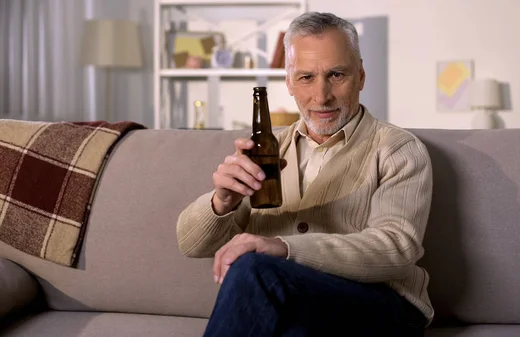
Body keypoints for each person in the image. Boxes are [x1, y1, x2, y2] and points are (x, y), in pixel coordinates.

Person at [176, 11, 434, 337]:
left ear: (361, 76)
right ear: (288, 83)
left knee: (254, 270)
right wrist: (221, 201)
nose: (321, 96)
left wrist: (284, 247)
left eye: (336, 75)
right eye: (306, 77)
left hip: (385, 307)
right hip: (299, 306)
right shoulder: (268, 149)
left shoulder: (398, 149)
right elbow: (190, 244)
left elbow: (397, 249)